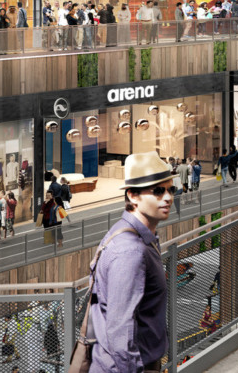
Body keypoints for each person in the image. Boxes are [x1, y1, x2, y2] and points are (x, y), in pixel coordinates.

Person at [89, 151, 175, 373]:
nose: (168, 197)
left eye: (170, 189)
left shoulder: (132, 236)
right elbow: (120, 331)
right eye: (157, 191)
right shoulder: (131, 251)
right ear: (133, 196)